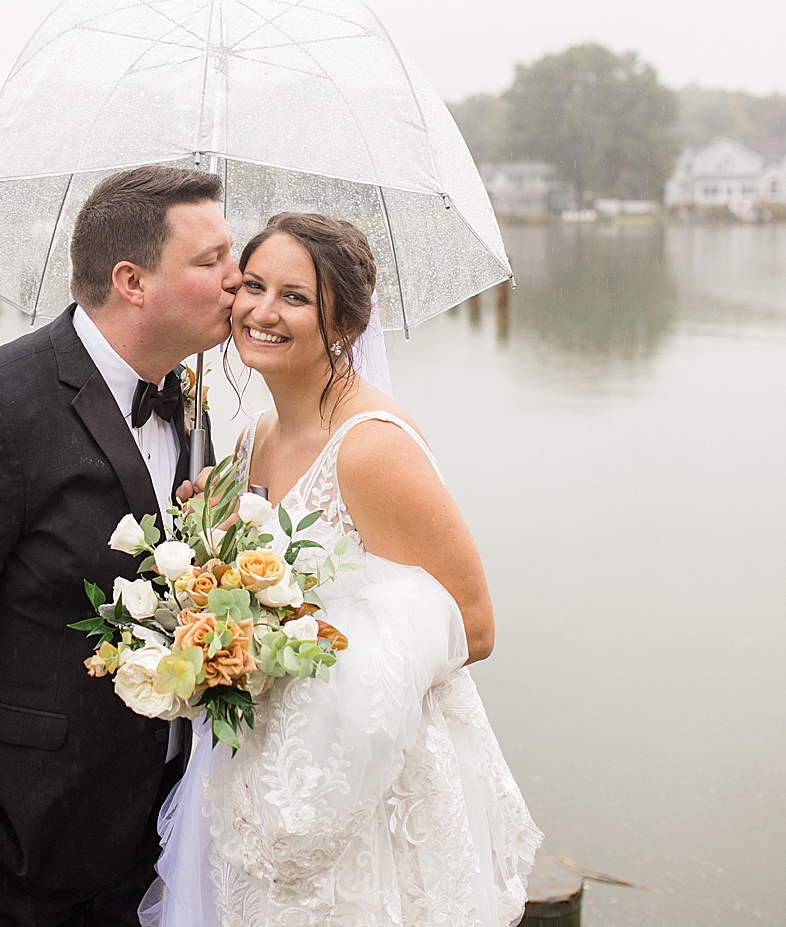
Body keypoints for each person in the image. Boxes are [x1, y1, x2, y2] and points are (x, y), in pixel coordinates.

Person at [0, 165, 241, 927]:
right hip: (13, 846)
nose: (241, 279)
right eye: (211, 262)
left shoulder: (190, 397)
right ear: (132, 281)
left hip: (150, 832)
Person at [143, 213, 542, 927]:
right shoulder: (253, 435)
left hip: (359, 787)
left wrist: (283, 630)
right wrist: (215, 547)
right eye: (254, 286)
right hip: (261, 776)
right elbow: (256, 580)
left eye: (295, 297)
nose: (262, 312)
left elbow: (474, 627)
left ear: (346, 324)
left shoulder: (371, 448)